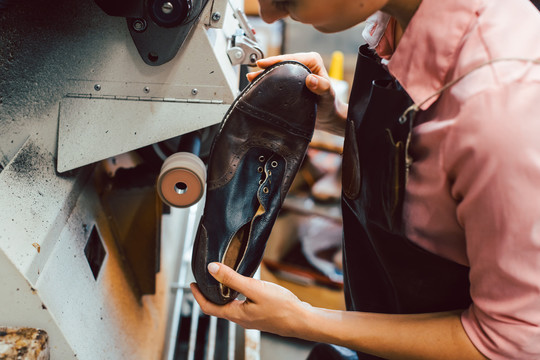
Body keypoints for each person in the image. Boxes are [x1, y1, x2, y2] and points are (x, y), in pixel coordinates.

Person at [191, 0, 540, 358]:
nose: (268, 15)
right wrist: (341, 119)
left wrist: (304, 319)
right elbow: (438, 152)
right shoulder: (402, 20)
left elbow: (511, 343)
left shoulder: (504, 109)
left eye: (286, 0)